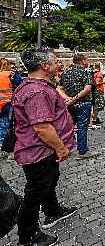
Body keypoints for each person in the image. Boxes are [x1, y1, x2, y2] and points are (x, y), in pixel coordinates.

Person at [13, 49, 77, 246]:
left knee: (49, 182)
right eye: (56, 61)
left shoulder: (34, 87)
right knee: (35, 192)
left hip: (43, 150)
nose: (60, 65)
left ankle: (52, 210)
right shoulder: (37, 91)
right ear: (44, 66)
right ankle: (28, 236)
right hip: (37, 150)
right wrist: (61, 148)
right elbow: (42, 127)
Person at [57, 54, 96, 159]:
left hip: (70, 104)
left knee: (69, 126)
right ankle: (82, 151)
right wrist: (74, 99)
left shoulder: (66, 73)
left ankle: (65, 147)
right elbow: (87, 89)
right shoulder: (86, 72)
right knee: (82, 127)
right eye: (87, 59)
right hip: (83, 103)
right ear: (83, 61)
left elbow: (59, 88)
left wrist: (68, 99)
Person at [0, 58, 23, 157]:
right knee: (9, 126)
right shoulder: (12, 74)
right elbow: (21, 85)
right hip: (8, 104)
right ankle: (8, 148)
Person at [91, 63, 105, 127]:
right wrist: (104, 82)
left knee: (95, 105)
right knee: (98, 105)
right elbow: (97, 83)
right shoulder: (99, 73)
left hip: (95, 91)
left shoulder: (95, 73)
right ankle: (94, 119)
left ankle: (94, 118)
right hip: (98, 91)